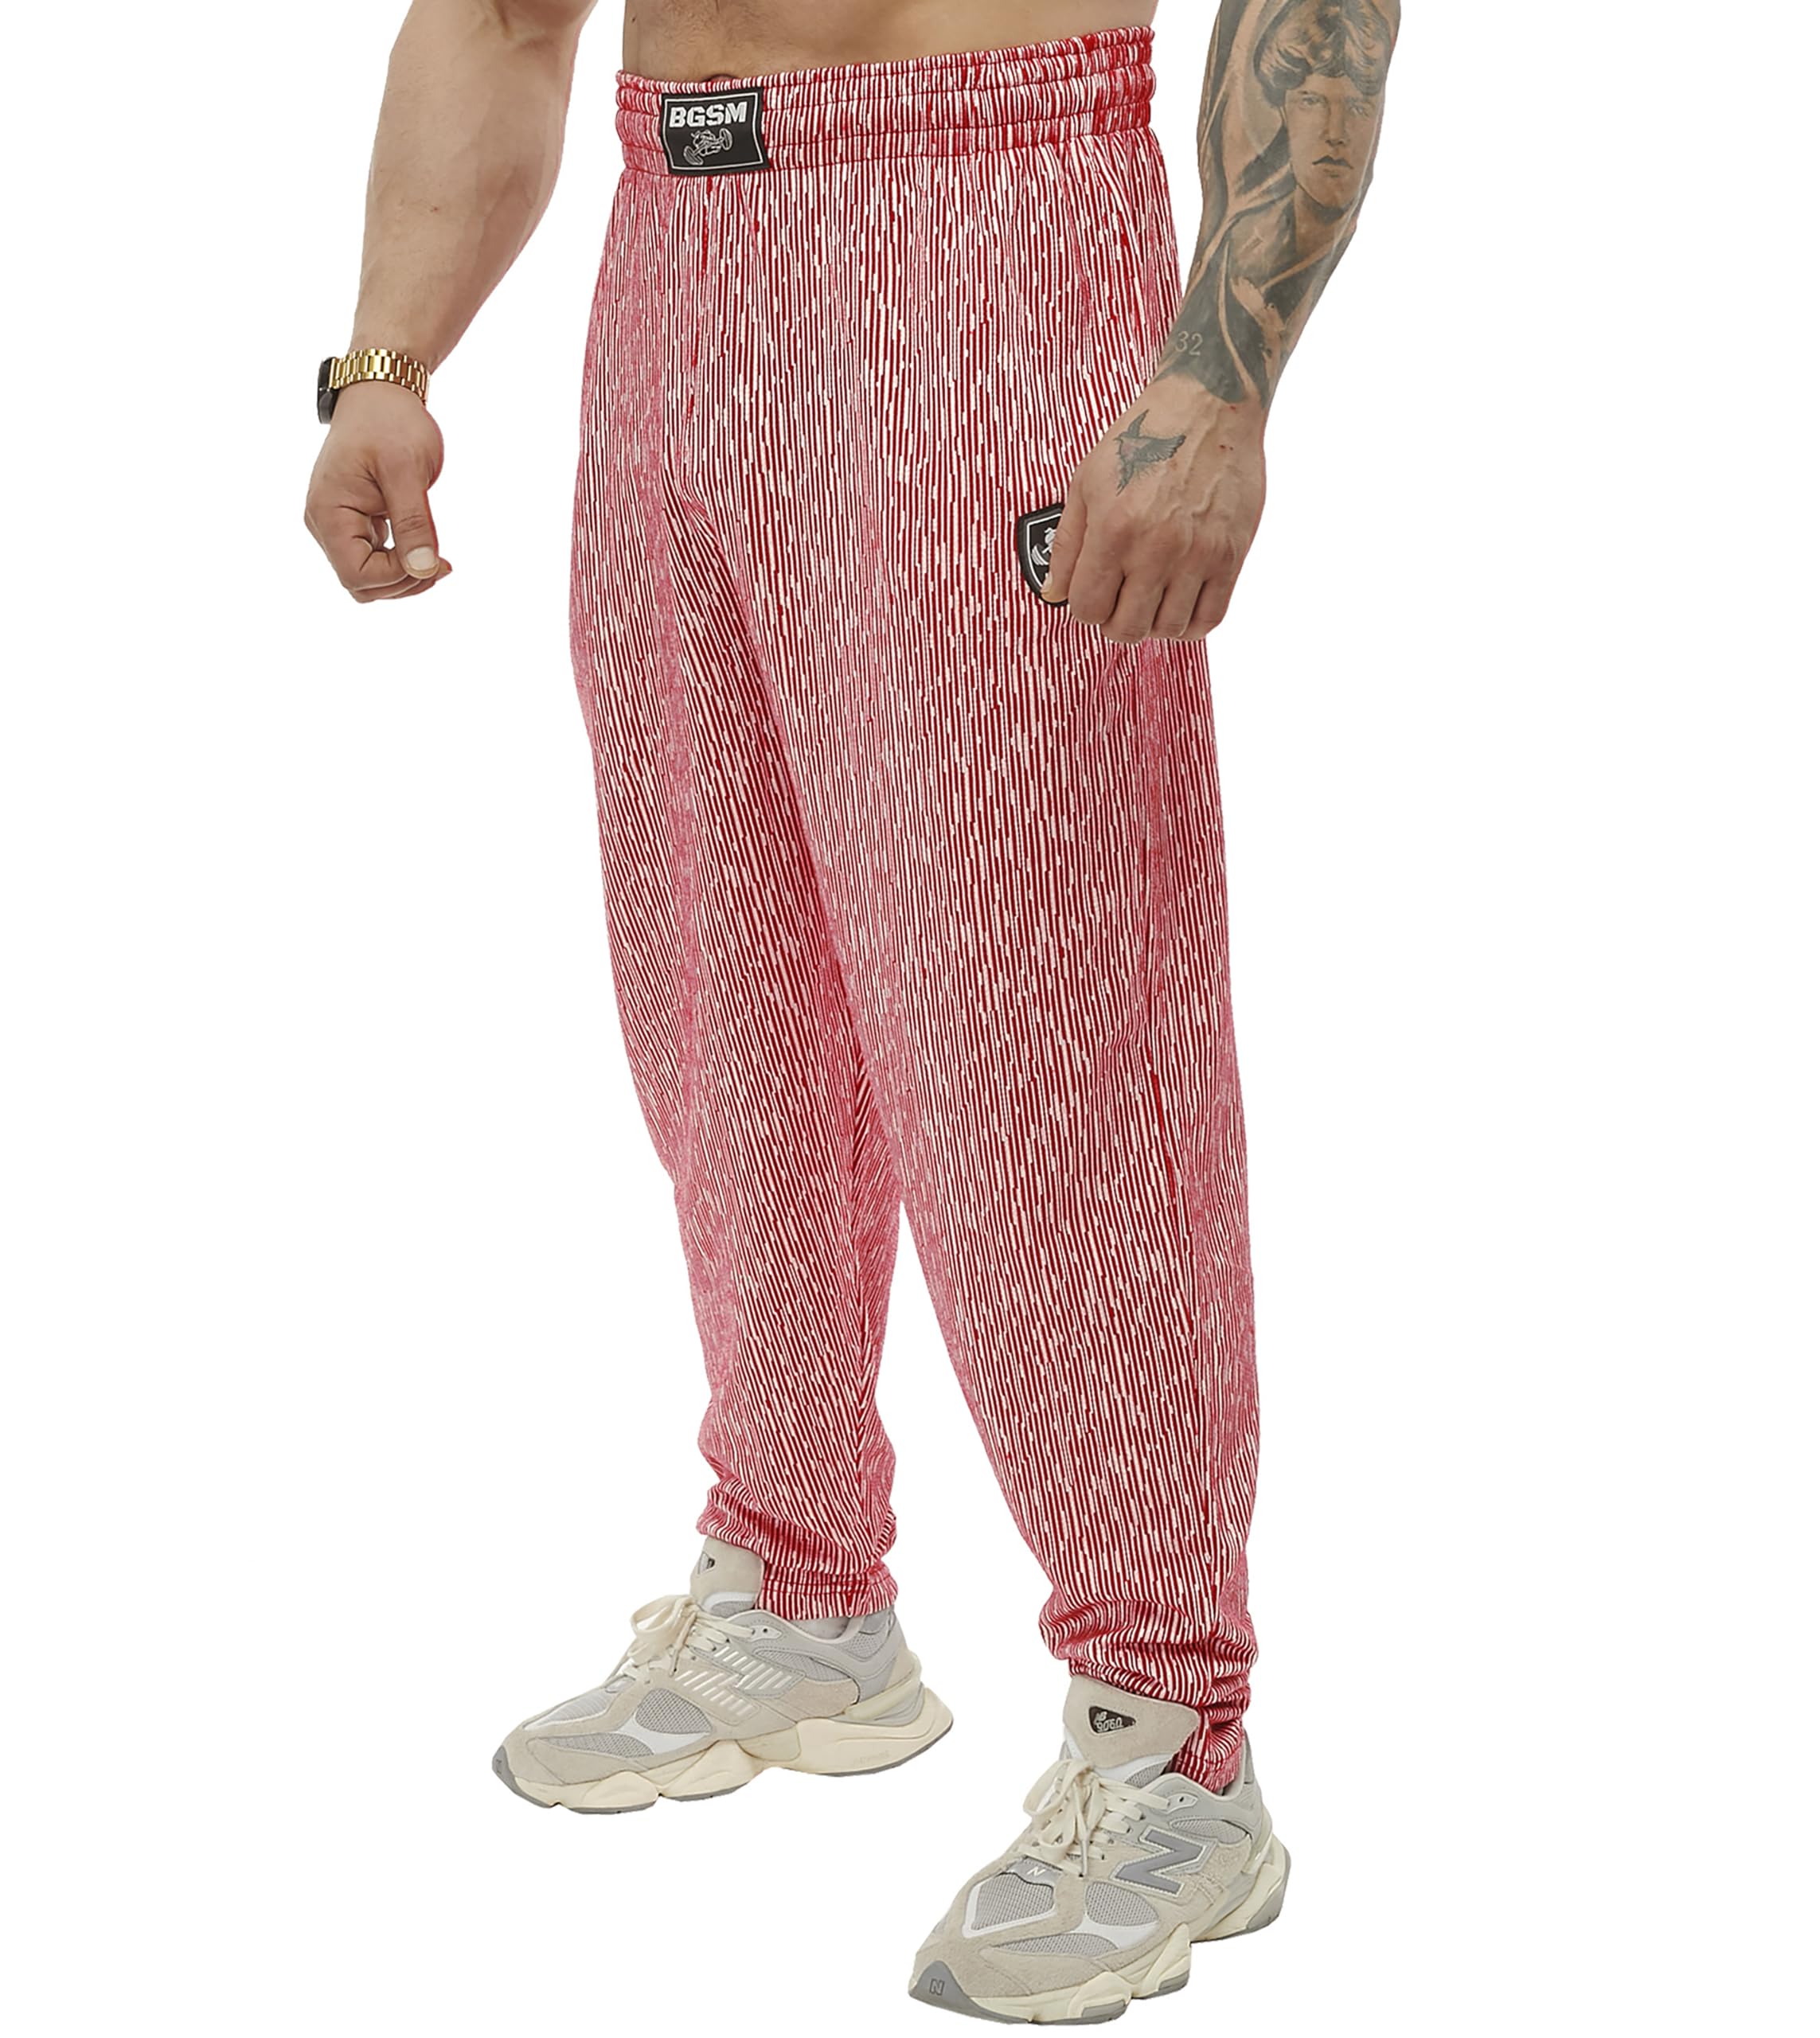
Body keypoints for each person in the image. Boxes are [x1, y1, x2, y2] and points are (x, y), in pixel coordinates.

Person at [303, 0, 1398, 2020]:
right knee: (719, 998)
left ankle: (1172, 1728)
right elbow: (504, 12)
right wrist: (388, 360)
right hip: (673, 259)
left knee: (1043, 1033)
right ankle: (801, 1584)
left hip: (996, 213)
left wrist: (1215, 377)